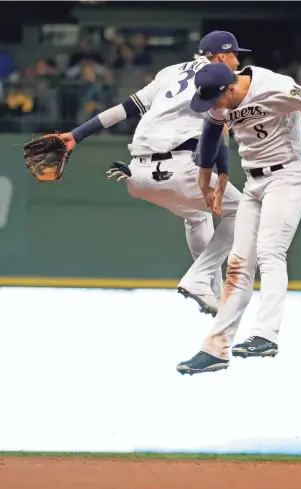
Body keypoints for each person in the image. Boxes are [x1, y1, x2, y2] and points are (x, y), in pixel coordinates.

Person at [58, 31, 251, 316]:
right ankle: (200, 280)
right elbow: (219, 133)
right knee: (248, 211)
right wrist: (222, 175)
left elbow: (124, 109)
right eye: (234, 54)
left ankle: (210, 291)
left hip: (137, 174)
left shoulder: (170, 72)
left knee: (196, 215)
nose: (237, 60)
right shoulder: (221, 78)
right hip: (179, 167)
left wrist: (77, 134)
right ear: (221, 56)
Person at [177, 62, 301, 375]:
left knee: (270, 251)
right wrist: (205, 178)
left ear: (231, 88)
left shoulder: (273, 86)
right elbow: (210, 135)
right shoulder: (220, 99)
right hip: (254, 182)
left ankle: (265, 334)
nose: (212, 105)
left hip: (287, 176)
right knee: (237, 263)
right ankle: (216, 349)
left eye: (215, 98)